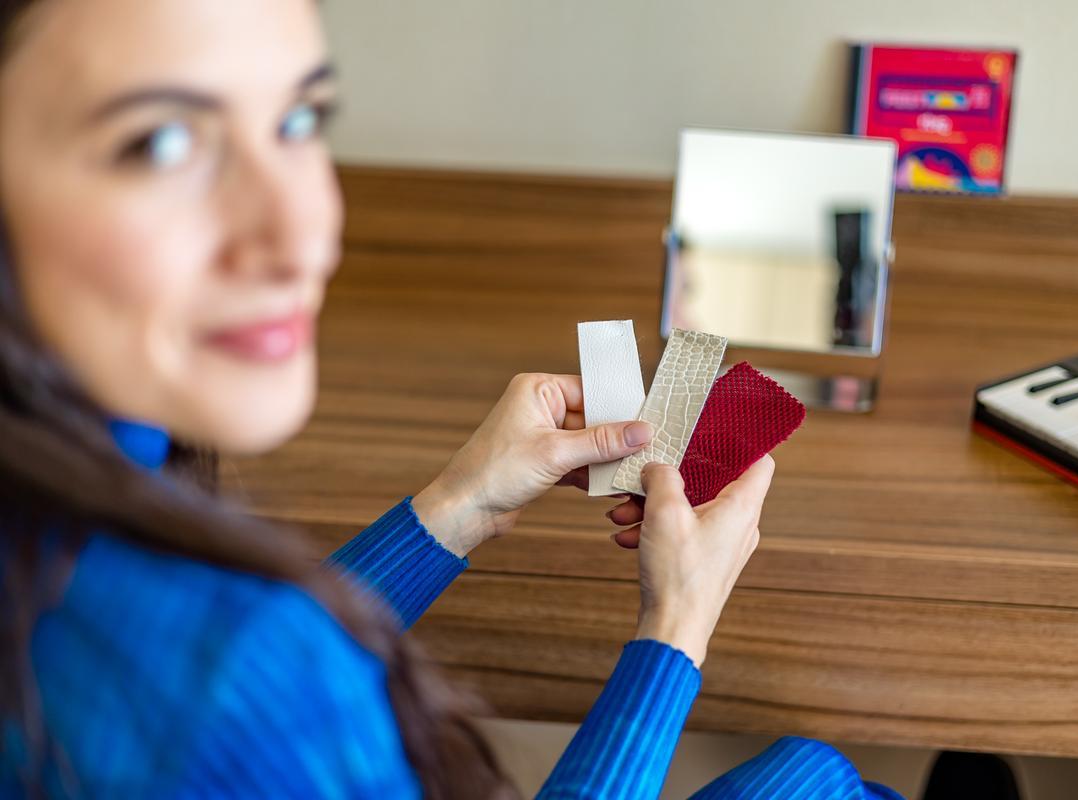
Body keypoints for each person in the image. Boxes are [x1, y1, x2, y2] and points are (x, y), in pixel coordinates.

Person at [0, 1, 901, 797]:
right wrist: (675, 630)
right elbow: (235, 678)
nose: (305, 230)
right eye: (160, 142)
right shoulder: (228, 676)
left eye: (301, 118)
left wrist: (457, 509)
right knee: (815, 777)